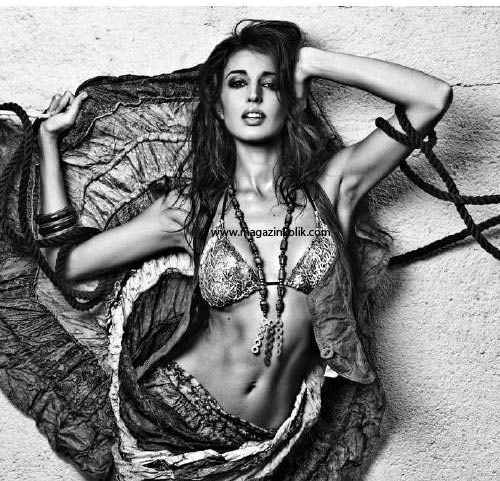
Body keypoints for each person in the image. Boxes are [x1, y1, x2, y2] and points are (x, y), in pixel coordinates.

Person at [31, 19, 452, 481]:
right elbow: (66, 264)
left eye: (270, 84)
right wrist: (48, 141)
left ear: (291, 99)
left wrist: (308, 63)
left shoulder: (335, 187)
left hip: (266, 443)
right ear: (218, 105)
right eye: (237, 83)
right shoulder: (188, 209)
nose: (253, 95)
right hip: (172, 419)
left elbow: (431, 98)